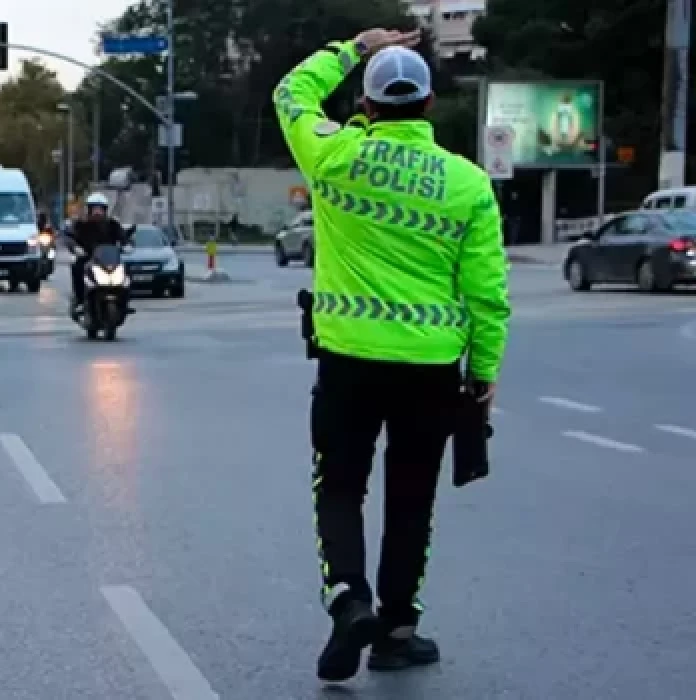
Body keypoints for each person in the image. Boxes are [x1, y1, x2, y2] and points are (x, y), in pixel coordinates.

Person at [273, 28, 511, 682]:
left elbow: (291, 92)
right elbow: (487, 295)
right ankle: (398, 630)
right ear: (430, 104)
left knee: (341, 485)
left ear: (368, 106)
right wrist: (484, 372)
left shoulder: (335, 154)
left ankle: (349, 598)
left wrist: (354, 46)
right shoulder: (466, 184)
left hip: (348, 363)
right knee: (411, 498)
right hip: (432, 372)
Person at [67, 192, 130, 313]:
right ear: (89, 210)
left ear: (105, 210)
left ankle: (124, 301)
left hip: (109, 260)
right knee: (77, 268)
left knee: (125, 271)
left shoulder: (112, 225)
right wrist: (75, 247)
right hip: (88, 258)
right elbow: (71, 237)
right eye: (94, 209)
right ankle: (80, 300)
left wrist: (126, 244)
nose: (97, 212)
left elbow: (122, 236)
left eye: (100, 209)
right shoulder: (82, 225)